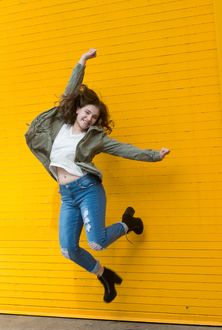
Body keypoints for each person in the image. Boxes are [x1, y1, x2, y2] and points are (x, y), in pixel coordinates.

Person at [25, 48, 170, 303]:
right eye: (87, 112)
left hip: (87, 189)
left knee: (97, 243)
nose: (89, 117)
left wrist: (154, 155)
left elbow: (125, 149)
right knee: (68, 249)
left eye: (94, 116)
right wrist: (81, 62)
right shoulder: (59, 124)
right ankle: (105, 275)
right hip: (67, 195)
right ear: (79, 109)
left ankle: (129, 224)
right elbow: (69, 91)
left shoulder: (95, 138)